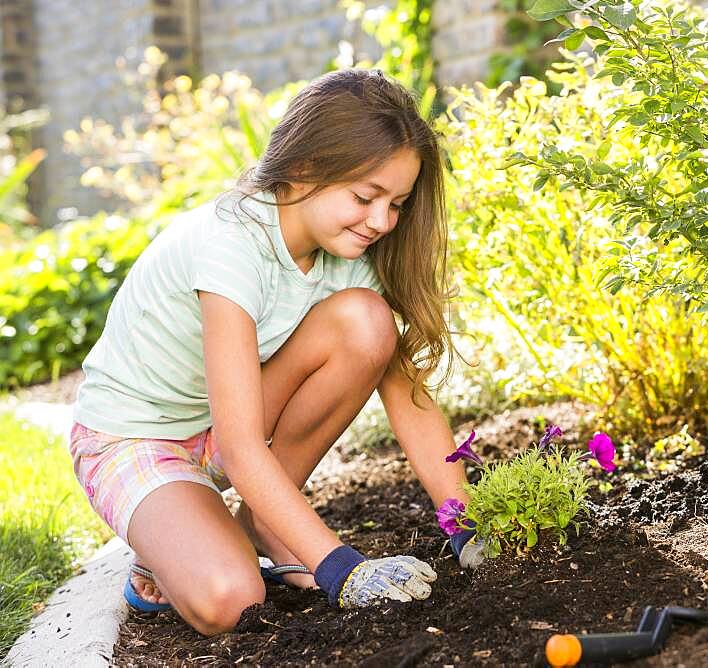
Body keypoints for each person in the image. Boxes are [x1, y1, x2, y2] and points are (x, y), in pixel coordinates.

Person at [69, 68, 484, 636]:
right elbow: (240, 447)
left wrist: (465, 527)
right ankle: (178, 542)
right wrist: (341, 568)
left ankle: (266, 523)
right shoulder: (231, 244)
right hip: (136, 437)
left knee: (366, 322)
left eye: (398, 204)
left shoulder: (348, 257)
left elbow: (408, 398)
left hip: (226, 423)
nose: (383, 221)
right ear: (305, 168)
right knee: (232, 599)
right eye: (366, 197)